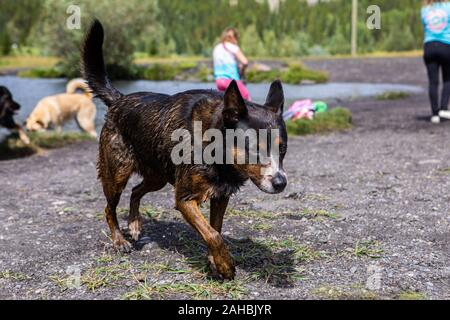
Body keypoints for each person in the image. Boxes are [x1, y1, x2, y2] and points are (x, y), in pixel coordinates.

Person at [422, 0, 450, 123]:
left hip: (429, 46)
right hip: (446, 45)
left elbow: (425, 27)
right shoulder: (448, 7)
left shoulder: (424, 9)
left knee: (433, 82)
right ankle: (444, 108)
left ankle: (434, 114)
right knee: (448, 78)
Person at [213, 27, 251, 100]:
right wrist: (242, 71)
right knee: (247, 99)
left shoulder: (217, 48)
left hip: (219, 82)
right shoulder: (233, 47)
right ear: (233, 37)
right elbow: (245, 62)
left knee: (227, 104)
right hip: (231, 82)